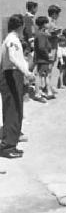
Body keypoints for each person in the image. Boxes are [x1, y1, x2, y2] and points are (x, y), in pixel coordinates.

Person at [0, 14, 35, 158]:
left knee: (14, 110)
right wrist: (27, 73)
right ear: (20, 26)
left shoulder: (9, 39)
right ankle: (8, 147)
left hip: (12, 75)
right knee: (13, 110)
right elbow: (14, 58)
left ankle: (11, 142)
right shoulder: (12, 40)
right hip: (12, 76)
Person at [34, 16, 55, 102]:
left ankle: (47, 92)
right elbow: (42, 47)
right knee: (39, 75)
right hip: (43, 59)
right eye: (46, 23)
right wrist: (48, 55)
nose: (48, 24)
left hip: (42, 58)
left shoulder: (41, 33)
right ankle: (37, 94)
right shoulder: (41, 34)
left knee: (45, 74)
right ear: (43, 24)